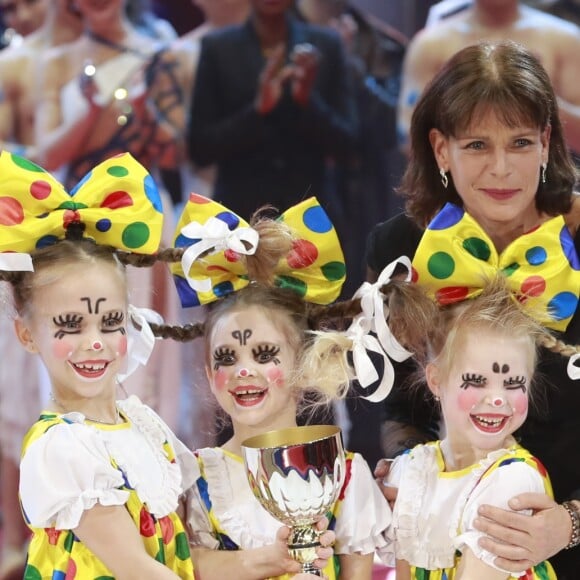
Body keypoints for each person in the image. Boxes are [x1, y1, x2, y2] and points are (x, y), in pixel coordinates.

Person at [366, 40, 580, 578]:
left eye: (521, 142)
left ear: (547, 143)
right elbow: (395, 406)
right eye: (478, 144)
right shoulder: (397, 252)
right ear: (442, 150)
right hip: (448, 544)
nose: (502, 169)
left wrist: (569, 524)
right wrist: (407, 472)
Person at [153, 194, 391, 579]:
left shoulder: (346, 476)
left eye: (264, 354)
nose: (243, 370)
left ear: (303, 362)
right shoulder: (192, 479)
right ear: (208, 371)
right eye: (226, 358)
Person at [0, 151, 198, 578]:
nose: (95, 343)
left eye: (110, 322)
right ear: (27, 335)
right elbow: (137, 569)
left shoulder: (141, 424)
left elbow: (180, 558)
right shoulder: (63, 449)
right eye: (70, 325)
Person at [0, 2, 83, 575]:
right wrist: (89, 121)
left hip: (111, 238)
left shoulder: (149, 48)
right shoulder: (18, 64)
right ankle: (17, 535)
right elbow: (15, 156)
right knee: (17, 381)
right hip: (23, 228)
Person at [186, 0, 358, 222]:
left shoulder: (325, 45)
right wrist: (257, 111)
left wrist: (306, 100)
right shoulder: (217, 47)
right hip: (239, 221)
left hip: (312, 219)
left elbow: (350, 147)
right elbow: (199, 149)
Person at [397, 0, 580, 157]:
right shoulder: (431, 45)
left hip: (546, 185)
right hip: (459, 186)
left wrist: (539, 95)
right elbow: (410, 139)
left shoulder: (563, 40)